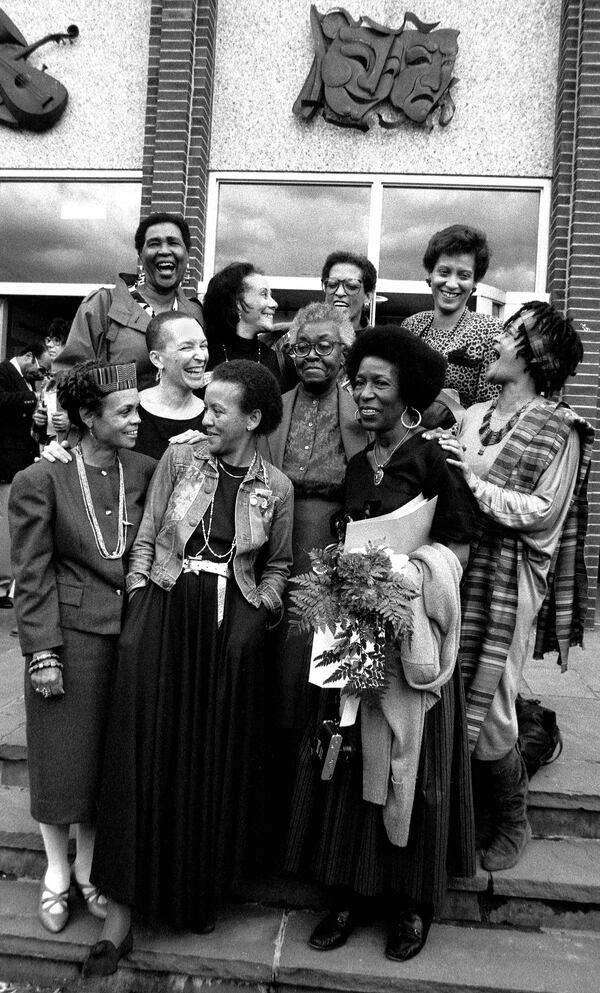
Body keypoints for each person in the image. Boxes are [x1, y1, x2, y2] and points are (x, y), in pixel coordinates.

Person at [83, 360, 294, 977]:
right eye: (206, 406)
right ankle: (120, 919)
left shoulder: (275, 487)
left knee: (208, 757)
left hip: (231, 627)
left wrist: (256, 621)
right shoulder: (179, 459)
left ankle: (194, 894)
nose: (207, 417)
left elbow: (278, 566)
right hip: (165, 610)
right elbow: (148, 535)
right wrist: (139, 604)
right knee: (142, 753)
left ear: (252, 419)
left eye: (220, 410)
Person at [286, 326, 477, 962]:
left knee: (408, 767)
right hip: (355, 639)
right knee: (346, 762)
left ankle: (409, 906)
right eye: (358, 382)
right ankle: (349, 895)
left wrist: (409, 576)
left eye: (379, 384)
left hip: (408, 637)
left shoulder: (433, 460)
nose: (364, 394)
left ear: (409, 393)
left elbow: (459, 549)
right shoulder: (354, 466)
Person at [426, 301, 593, 872]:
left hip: (510, 579)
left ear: (534, 353)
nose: (495, 339)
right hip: (458, 567)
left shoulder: (558, 428)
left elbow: (544, 512)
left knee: (492, 703)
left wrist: (470, 480)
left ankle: (512, 817)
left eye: (507, 332)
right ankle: (459, 815)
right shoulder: (473, 415)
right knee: (450, 691)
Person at [8, 361, 155, 936]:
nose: (136, 419)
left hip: (128, 637)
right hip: (66, 640)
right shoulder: (40, 479)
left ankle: (91, 871)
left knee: (102, 764)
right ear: (88, 418)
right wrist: (42, 650)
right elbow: (32, 571)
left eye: (138, 408)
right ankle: (54, 874)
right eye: (124, 411)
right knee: (60, 760)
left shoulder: (144, 469)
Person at [263, 302, 367, 836]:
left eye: (324, 346)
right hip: (277, 541)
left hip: (334, 546)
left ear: (344, 353)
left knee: (325, 671)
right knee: (276, 673)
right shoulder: (273, 410)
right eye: (301, 347)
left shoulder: (363, 410)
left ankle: (320, 811)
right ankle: (275, 805)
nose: (311, 356)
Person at [55, 212, 204, 390]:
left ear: (187, 254)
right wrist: (130, 380)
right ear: (141, 256)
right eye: (154, 243)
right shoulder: (103, 305)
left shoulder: (196, 313)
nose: (164, 251)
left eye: (173, 243)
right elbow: (67, 375)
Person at [402, 224, 502, 408]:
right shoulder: (411, 326)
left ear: (474, 283)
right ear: (430, 274)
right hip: (406, 432)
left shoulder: (490, 332)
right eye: (444, 272)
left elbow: (490, 407)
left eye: (463, 276)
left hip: (463, 435)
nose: (452, 284)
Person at [0, 343, 51, 609]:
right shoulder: (4, 372)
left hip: (22, 459)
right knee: (4, 525)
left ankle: (7, 585)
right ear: (28, 356)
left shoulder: (27, 382)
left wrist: (38, 422)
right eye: (39, 367)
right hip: (6, 463)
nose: (41, 373)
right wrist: (31, 400)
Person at [202, 261, 297, 392]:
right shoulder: (202, 358)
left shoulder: (282, 364)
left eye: (271, 295)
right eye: (264, 294)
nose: (274, 304)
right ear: (237, 303)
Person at [321, 250, 377, 333]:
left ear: (368, 296)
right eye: (332, 285)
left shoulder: (380, 343)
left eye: (351, 286)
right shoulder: (303, 338)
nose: (339, 292)